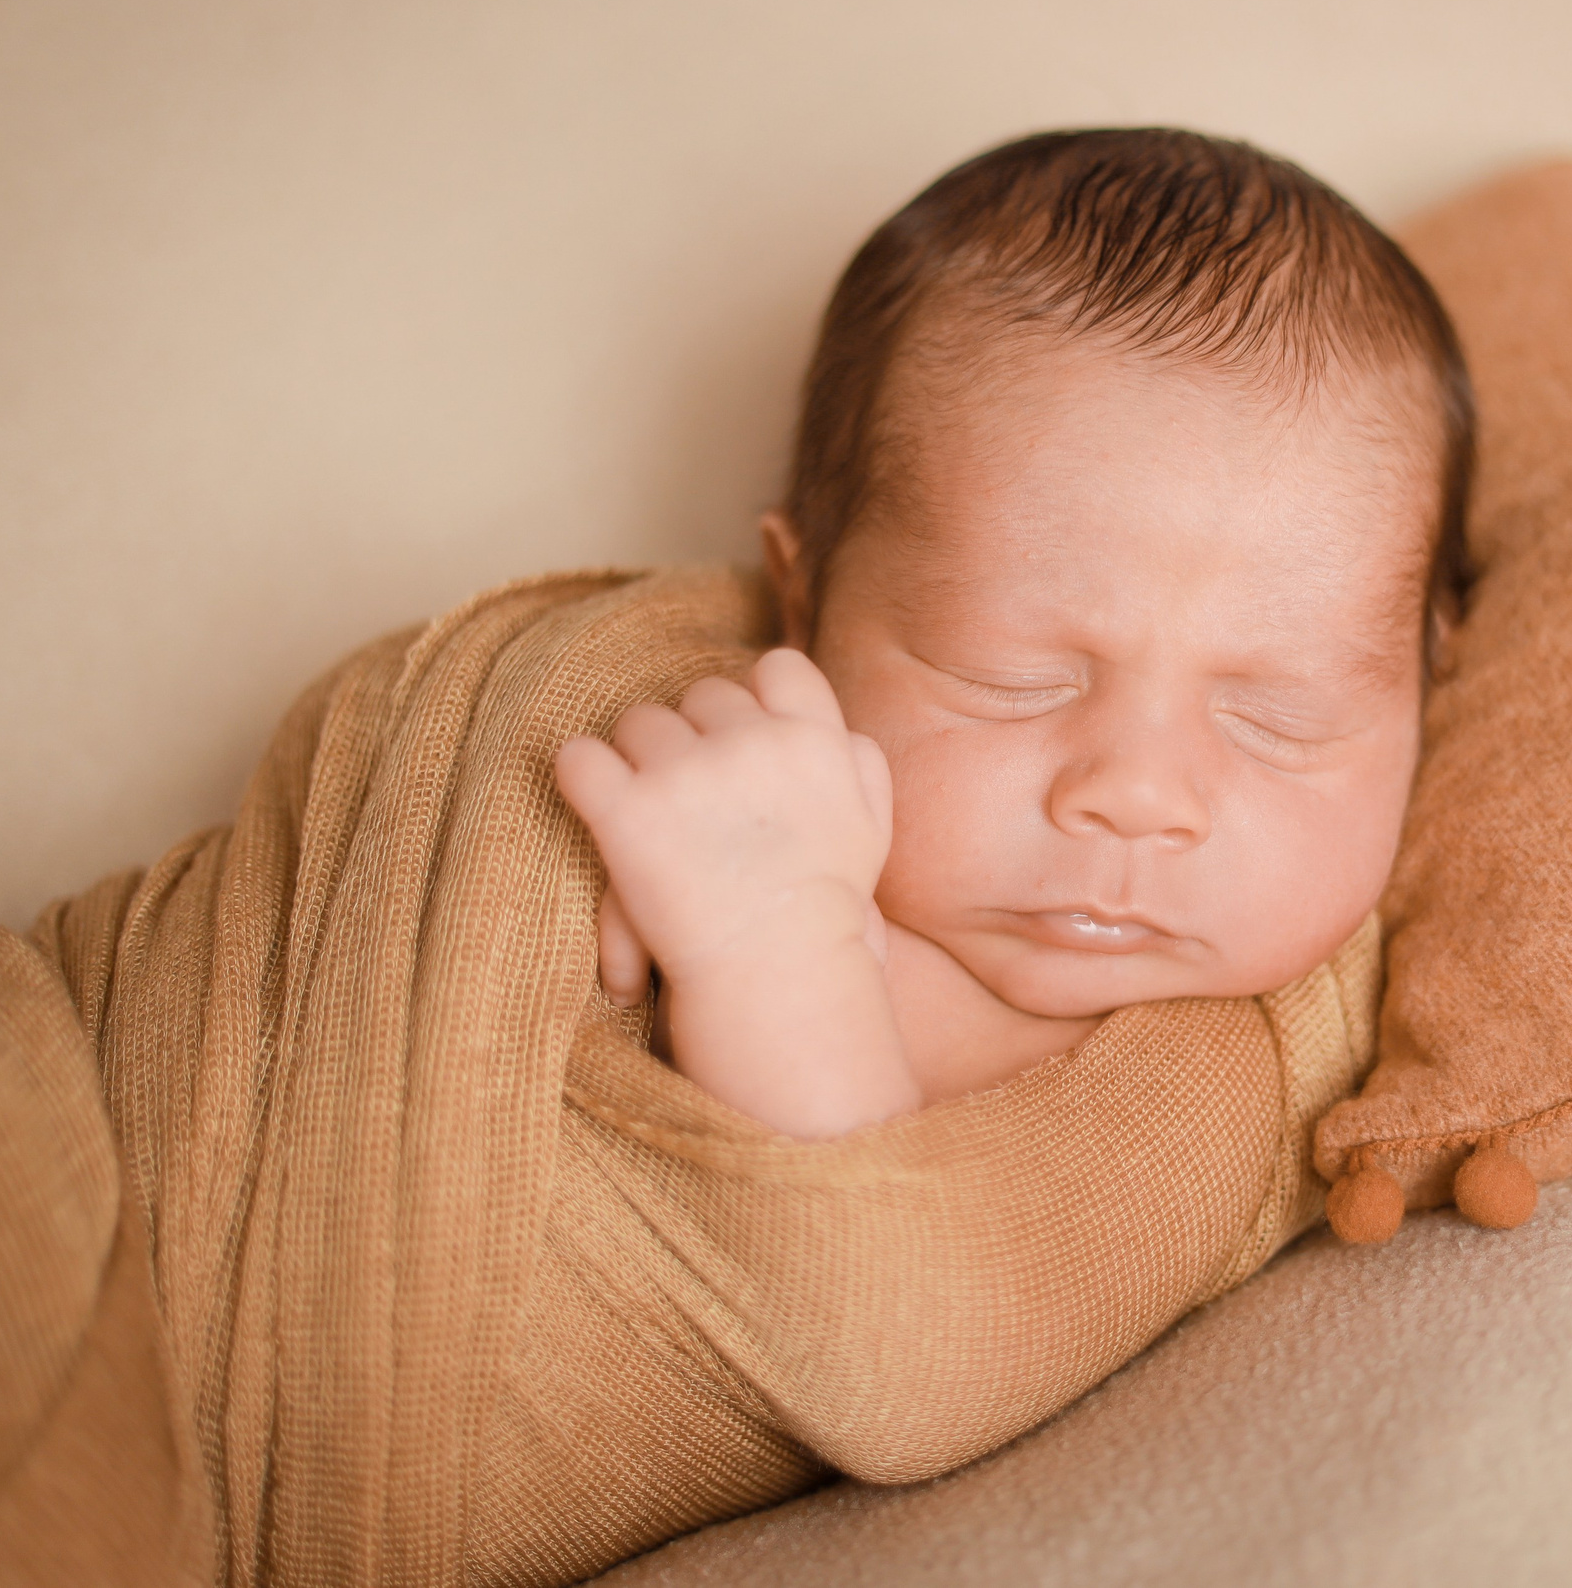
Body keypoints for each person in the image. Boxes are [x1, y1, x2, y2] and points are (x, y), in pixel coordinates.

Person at [557, 126, 1473, 1139]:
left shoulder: (1377, 1029)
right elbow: (835, 1260)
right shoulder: (785, 855)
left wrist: (761, 952)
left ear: (1429, 685)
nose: (1134, 797)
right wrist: (762, 925)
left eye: (1278, 720)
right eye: (1009, 677)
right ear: (803, 602)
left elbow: (881, 1266)